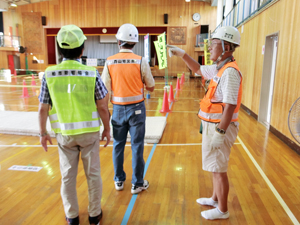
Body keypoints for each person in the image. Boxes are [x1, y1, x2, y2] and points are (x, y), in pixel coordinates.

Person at [38, 24, 111, 225]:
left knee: (67, 177)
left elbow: (42, 108)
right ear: (82, 49)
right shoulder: (91, 73)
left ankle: (72, 216)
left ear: (60, 49)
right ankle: (94, 214)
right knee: (93, 174)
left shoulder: (49, 74)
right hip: (89, 134)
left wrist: (42, 132)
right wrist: (107, 128)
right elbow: (103, 106)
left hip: (65, 136)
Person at [167, 26, 242, 220]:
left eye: (213, 44)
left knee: (219, 169)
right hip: (213, 125)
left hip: (220, 127)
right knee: (214, 166)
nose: (209, 48)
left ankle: (222, 210)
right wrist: (182, 54)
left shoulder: (230, 73)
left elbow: (230, 106)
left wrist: (220, 132)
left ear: (226, 46)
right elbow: (198, 69)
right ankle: (215, 198)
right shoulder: (220, 68)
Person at [101, 23, 155, 194]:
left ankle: (119, 180)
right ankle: (137, 183)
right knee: (137, 145)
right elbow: (151, 86)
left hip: (117, 109)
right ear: (135, 43)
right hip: (137, 109)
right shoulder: (141, 61)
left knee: (118, 145)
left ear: (119, 41)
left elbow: (104, 90)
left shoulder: (109, 62)